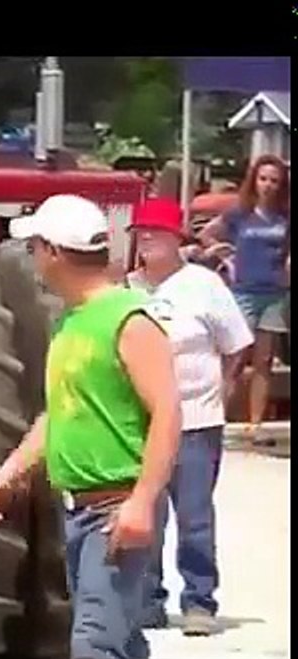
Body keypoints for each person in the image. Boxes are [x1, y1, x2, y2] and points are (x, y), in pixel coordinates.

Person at [0, 194, 182, 659]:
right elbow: (57, 415)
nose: (34, 260)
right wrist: (7, 477)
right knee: (120, 643)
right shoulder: (73, 323)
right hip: (81, 513)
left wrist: (141, 503)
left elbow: (168, 413)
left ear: (55, 253)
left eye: (36, 248)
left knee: (93, 648)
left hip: (115, 508)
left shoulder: (130, 320)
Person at [126, 198, 254, 636]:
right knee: (148, 512)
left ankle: (199, 601)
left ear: (176, 240)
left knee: (194, 515)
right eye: (140, 234)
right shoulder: (128, 289)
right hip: (142, 422)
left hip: (197, 419)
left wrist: (227, 385)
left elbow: (237, 343)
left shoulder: (203, 285)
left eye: (154, 234)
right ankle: (147, 599)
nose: (145, 241)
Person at [197, 154, 290, 445]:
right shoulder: (240, 213)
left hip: (274, 293)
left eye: (274, 180)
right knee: (234, 358)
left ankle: (255, 424)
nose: (268, 186)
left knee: (264, 361)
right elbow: (206, 233)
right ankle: (216, 420)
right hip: (243, 291)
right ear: (254, 181)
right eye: (263, 179)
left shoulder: (285, 217)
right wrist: (225, 254)